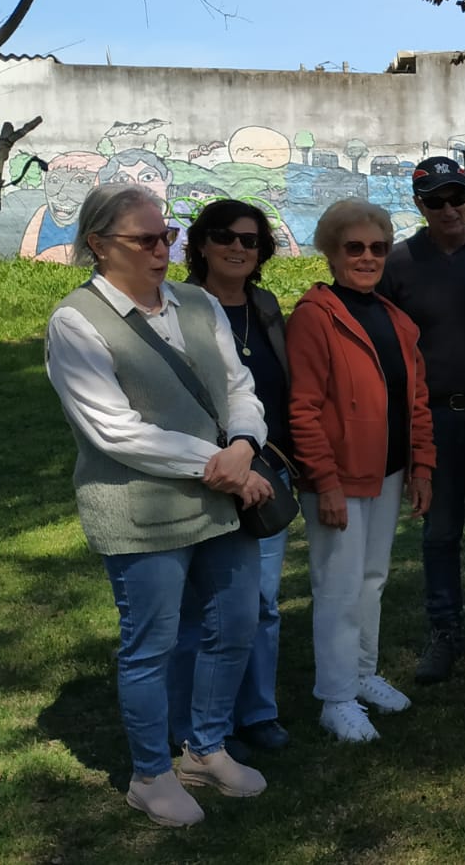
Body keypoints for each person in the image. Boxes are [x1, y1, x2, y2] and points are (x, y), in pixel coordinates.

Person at [46, 183, 272, 827]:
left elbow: (237, 387)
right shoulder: (76, 321)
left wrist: (245, 442)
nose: (161, 250)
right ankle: (150, 773)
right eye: (144, 239)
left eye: (166, 236)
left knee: (233, 627)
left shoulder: (197, 302)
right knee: (151, 645)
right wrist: (221, 465)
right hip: (141, 507)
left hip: (222, 496)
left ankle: (204, 748)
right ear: (98, 244)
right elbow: (113, 430)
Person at [288, 199, 436, 742]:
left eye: (377, 248)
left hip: (389, 472)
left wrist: (422, 466)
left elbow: (415, 400)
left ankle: (363, 674)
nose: (367, 257)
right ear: (330, 252)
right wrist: (323, 481)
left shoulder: (395, 319)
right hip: (341, 478)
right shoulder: (313, 317)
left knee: (371, 581)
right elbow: (302, 408)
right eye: (354, 248)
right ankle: (335, 697)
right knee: (338, 586)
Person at [378, 155, 465, 684]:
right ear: (419, 204)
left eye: (456, 196)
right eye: (434, 200)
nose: (447, 208)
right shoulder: (397, 263)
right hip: (430, 415)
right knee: (438, 533)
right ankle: (444, 631)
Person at [172, 199, 293, 756]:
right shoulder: (176, 309)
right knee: (202, 609)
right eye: (224, 236)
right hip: (203, 473)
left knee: (262, 603)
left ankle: (258, 713)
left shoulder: (265, 308)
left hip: (266, 473)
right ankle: (197, 728)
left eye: (250, 240)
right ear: (200, 244)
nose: (238, 247)